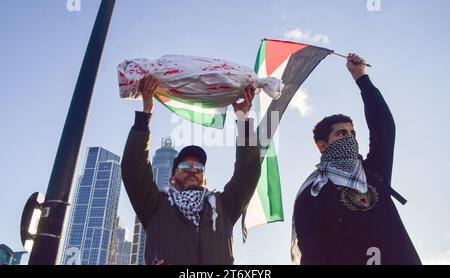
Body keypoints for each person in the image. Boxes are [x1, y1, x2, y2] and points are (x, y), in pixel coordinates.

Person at [292, 53, 421, 265]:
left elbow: (384, 127)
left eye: (352, 134)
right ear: (322, 146)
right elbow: (312, 254)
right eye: (341, 134)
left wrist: (361, 77)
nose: (350, 138)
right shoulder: (312, 193)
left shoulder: (374, 172)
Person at [121, 76, 261, 265]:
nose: (192, 170)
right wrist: (146, 113)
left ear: (204, 178)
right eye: (185, 167)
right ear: (171, 178)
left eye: (198, 167)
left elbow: (248, 171)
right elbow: (133, 168)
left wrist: (243, 119)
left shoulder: (224, 206)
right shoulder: (155, 207)